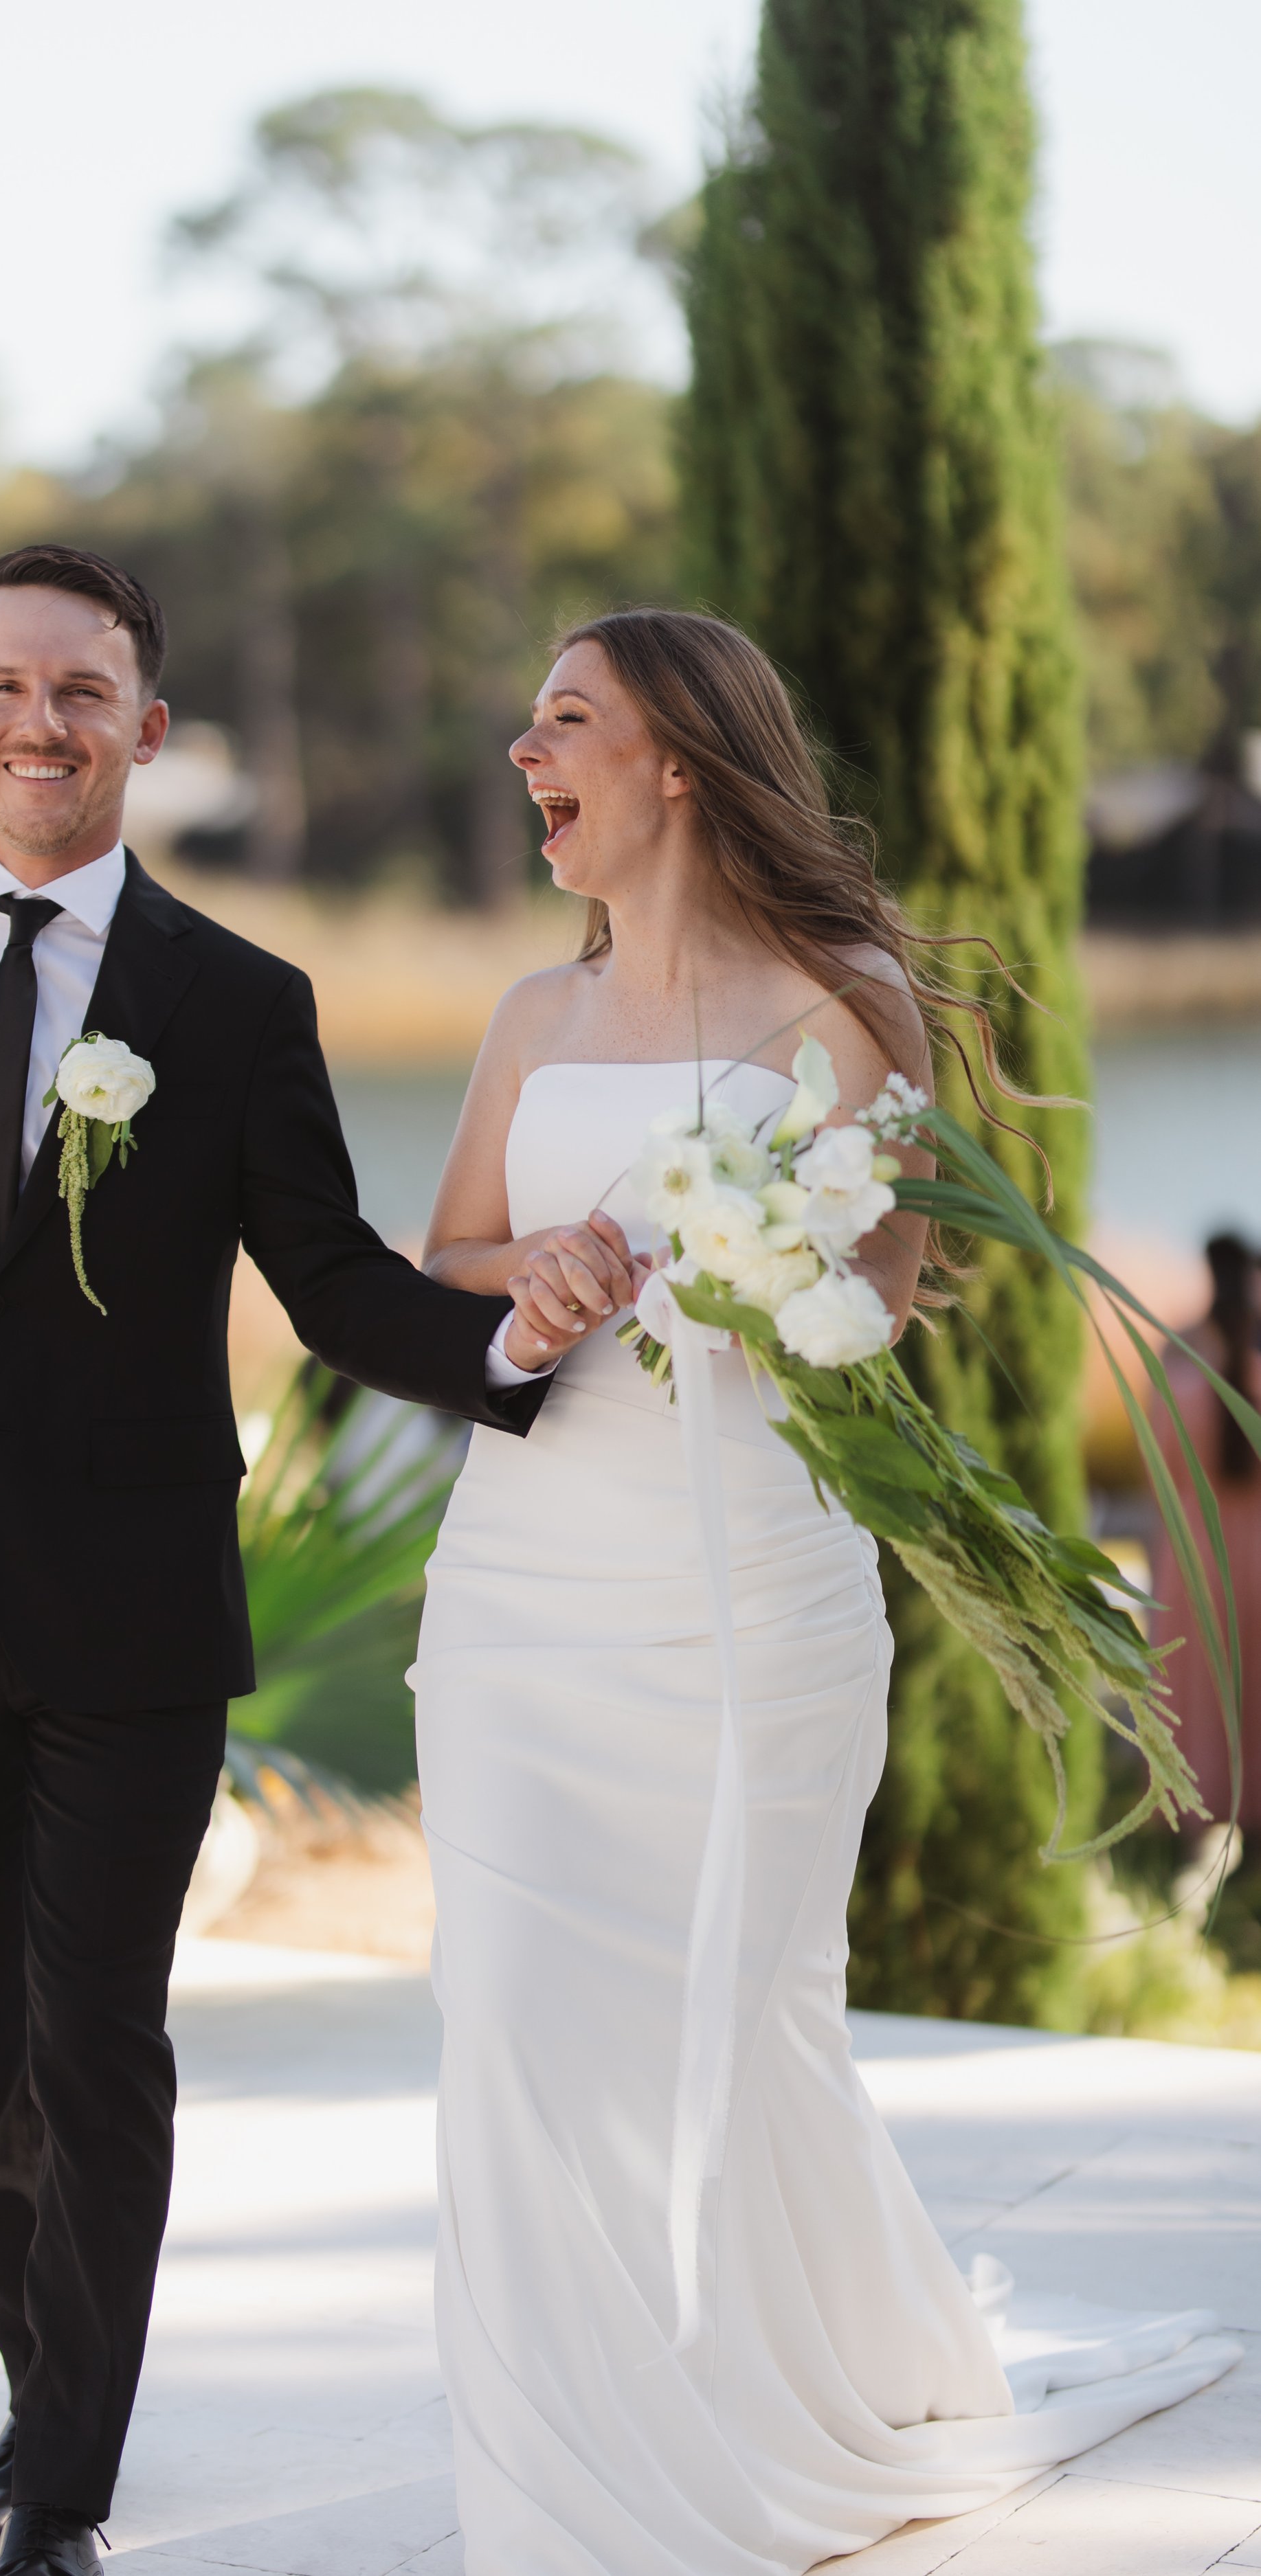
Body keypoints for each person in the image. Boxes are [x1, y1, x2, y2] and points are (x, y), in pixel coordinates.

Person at [0, 545, 569, 2576]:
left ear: (143, 730)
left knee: (93, 2037)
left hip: (133, 1609)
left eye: (83, 690)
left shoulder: (234, 1002)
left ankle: (60, 2474)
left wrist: (506, 1347)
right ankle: (29, 2371)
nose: (39, 720)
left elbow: (322, 1279)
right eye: (2, 684)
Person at [411, 607, 1240, 2574]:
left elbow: (871, 1305)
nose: (523, 751)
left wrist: (745, 1271)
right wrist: (540, 1268)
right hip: (525, 1589)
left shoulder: (840, 997)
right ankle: (557, 2486)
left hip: (749, 1590)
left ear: (676, 761)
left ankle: (787, 2387)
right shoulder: (534, 1013)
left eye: (563, 719)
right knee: (512, 2012)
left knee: (744, 2008)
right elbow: (437, 1248)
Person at [1151, 1231, 1261, 1832]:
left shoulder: (1179, 1354)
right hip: (1256, 1546)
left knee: (1197, 1677)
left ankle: (1196, 1805)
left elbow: (1159, 1459)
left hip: (1195, 1545)